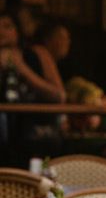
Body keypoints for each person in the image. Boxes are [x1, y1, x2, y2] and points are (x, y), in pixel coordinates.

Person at [0, 11, 65, 164]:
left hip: (36, 133)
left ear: (18, 30)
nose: (1, 32)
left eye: (7, 26)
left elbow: (59, 96)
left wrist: (22, 69)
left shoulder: (38, 53)